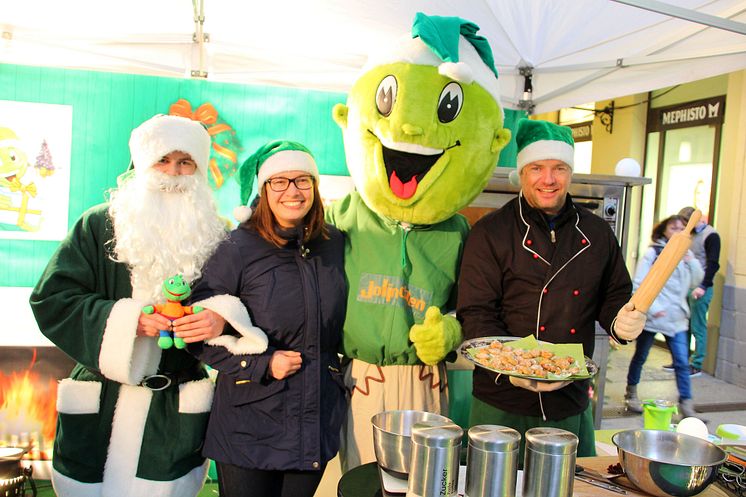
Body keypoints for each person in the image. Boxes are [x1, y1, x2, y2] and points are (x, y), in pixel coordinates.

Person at [29, 114, 266, 497]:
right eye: (163, 160)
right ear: (142, 164)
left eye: (185, 162)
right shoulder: (97, 226)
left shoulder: (218, 236)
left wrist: (219, 320)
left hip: (171, 412)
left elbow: (250, 302)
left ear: (199, 170)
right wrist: (129, 321)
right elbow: (51, 298)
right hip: (99, 403)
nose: (173, 172)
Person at [327, 12, 512, 472]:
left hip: (426, 377)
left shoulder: (460, 233)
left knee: (423, 480)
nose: (410, 131)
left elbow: (475, 308)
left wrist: (451, 331)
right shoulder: (341, 215)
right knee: (364, 478)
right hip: (361, 376)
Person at [457, 118, 647, 463]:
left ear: (570, 172)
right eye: (537, 168)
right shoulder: (490, 232)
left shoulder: (597, 233)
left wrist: (622, 322)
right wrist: (513, 367)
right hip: (501, 401)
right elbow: (476, 311)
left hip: (568, 398)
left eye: (559, 168)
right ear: (522, 172)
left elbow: (614, 294)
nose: (548, 179)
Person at [187, 140, 348, 497]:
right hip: (251, 422)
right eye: (280, 181)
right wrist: (261, 363)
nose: (293, 191)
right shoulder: (237, 247)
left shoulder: (334, 243)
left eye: (302, 180)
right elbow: (197, 331)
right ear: (263, 190)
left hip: (313, 417)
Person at [625, 215, 703, 417]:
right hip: (653, 317)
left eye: (682, 228)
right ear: (664, 231)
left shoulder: (686, 255)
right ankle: (631, 393)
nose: (678, 231)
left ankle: (686, 404)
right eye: (673, 227)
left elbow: (695, 282)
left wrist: (692, 262)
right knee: (640, 356)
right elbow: (640, 282)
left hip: (677, 318)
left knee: (681, 362)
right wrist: (654, 307)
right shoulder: (654, 252)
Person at [662, 206, 721, 377]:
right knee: (684, 326)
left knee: (698, 327)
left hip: (701, 287)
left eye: (686, 224)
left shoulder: (711, 235)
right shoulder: (692, 234)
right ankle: (681, 361)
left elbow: (713, 264)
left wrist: (703, 286)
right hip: (687, 286)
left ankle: (696, 364)